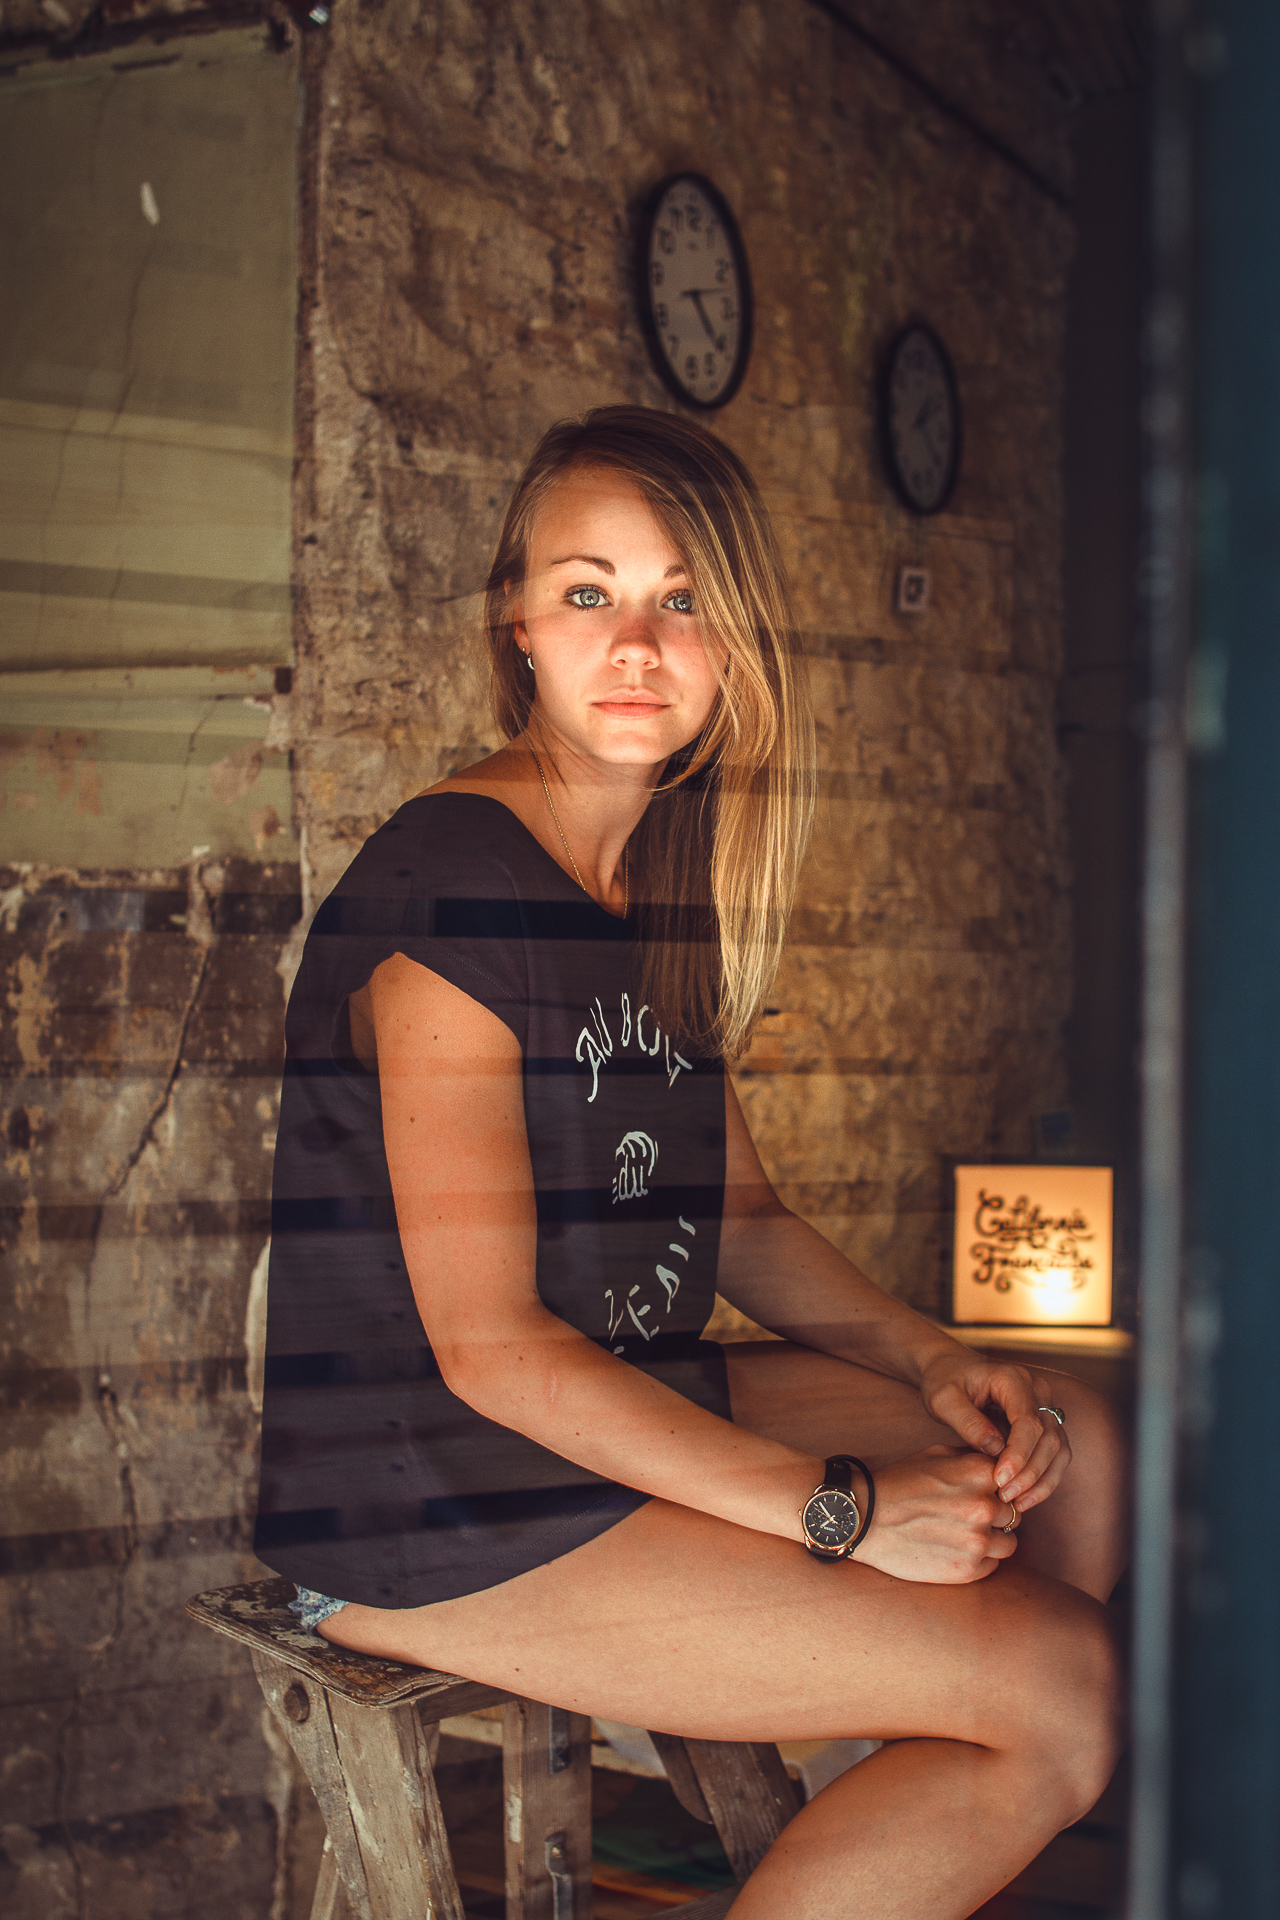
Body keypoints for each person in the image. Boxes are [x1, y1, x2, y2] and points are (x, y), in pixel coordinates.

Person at [255, 405, 1127, 1919]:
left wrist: (932, 1357)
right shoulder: (452, 890)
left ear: (737, 643)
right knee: (1067, 1691)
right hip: (432, 1494)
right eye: (588, 592)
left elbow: (739, 1218)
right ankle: (982, 1727)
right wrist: (842, 1509)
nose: (638, 645)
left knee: (1073, 1443)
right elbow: (488, 1352)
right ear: (518, 623)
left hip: (611, 1400)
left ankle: (916, 1802)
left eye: (684, 599)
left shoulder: (655, 878)